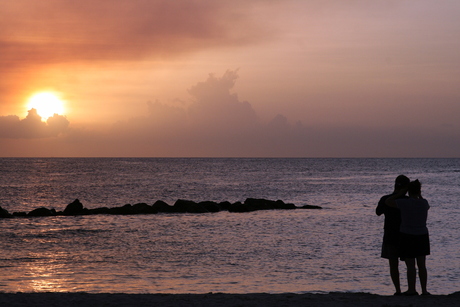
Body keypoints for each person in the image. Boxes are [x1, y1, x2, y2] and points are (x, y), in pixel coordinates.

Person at [385, 179, 430, 296]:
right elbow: (426, 205)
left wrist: (400, 193)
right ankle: (424, 290)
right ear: (419, 191)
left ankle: (412, 289)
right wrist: (419, 195)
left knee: (411, 266)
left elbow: (388, 201)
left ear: (408, 191)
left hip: (407, 235)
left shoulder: (404, 203)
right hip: (422, 235)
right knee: (422, 265)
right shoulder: (424, 203)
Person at [376, 175, 410, 295]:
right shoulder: (407, 201)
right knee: (409, 264)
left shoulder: (386, 199)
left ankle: (398, 290)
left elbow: (378, 212)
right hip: (405, 235)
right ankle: (411, 289)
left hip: (390, 234)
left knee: (393, 265)